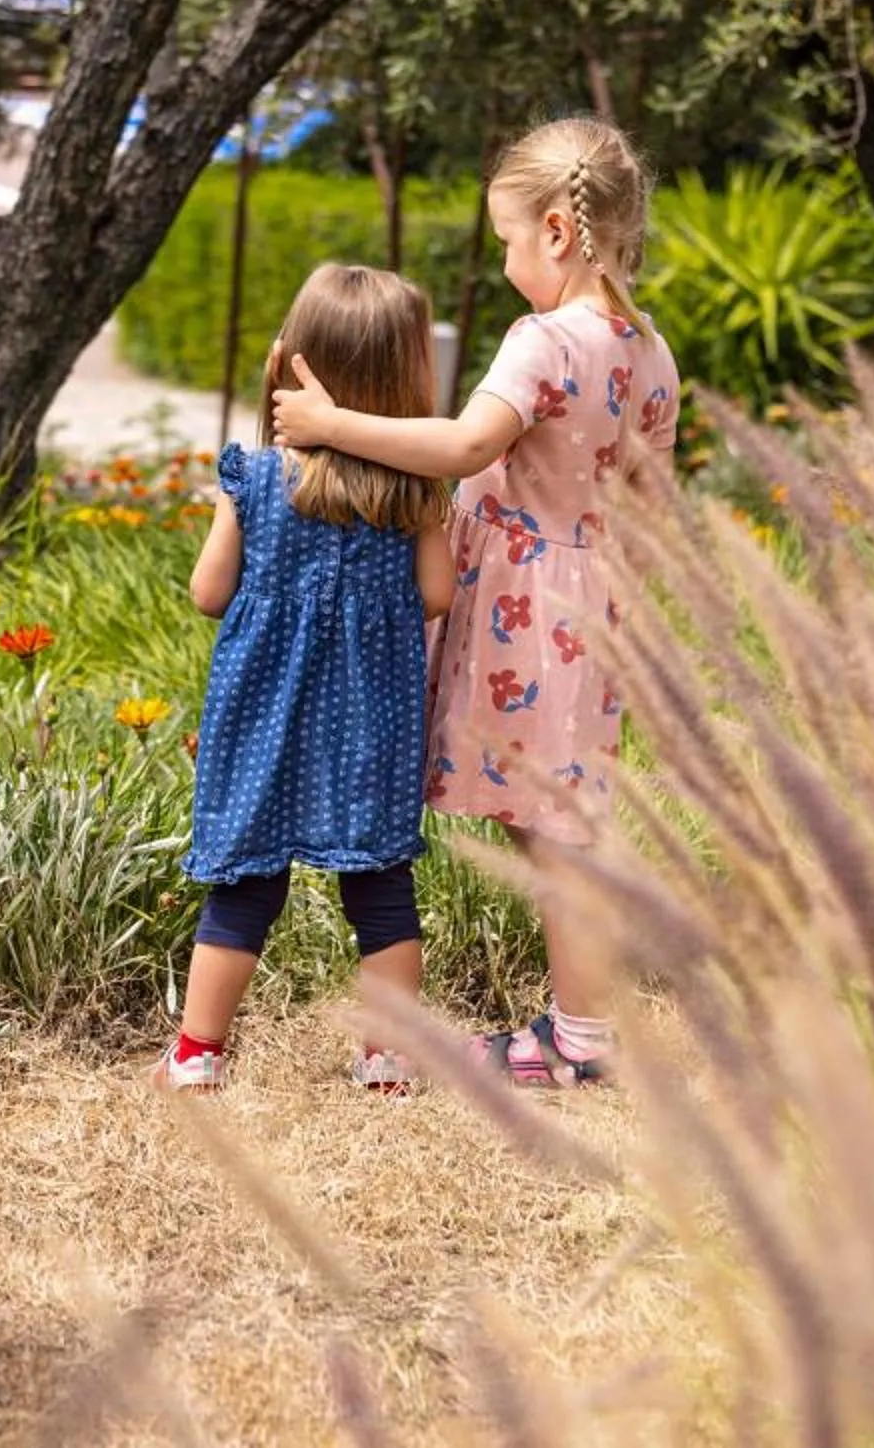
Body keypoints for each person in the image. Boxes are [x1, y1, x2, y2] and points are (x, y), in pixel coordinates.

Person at [269, 117, 678, 1086]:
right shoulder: (649, 349)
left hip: (523, 610)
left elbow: (464, 446)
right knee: (556, 823)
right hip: (593, 605)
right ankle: (581, 1031)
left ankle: (581, 1041)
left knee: (553, 836)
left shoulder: (545, 340)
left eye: (506, 241)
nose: (503, 264)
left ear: (557, 232)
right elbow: (654, 504)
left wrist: (332, 424)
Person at [168, 264, 460, 1092]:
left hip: (263, 716)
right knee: (381, 888)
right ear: (405, 381)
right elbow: (437, 595)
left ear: (293, 363)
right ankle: (389, 1060)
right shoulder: (414, 491)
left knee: (245, 885)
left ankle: (197, 1057)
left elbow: (207, 593)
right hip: (371, 719)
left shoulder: (255, 478)